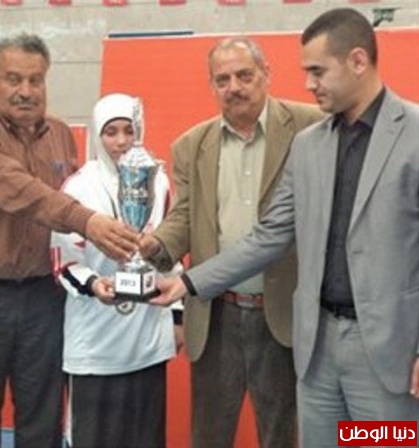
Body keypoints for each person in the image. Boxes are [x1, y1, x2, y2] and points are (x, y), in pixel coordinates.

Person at [152, 8, 419, 447]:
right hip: (316, 351)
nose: (309, 84)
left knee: (382, 441)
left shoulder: (412, 135)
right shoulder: (309, 145)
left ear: (357, 61)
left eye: (318, 71)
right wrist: (188, 283)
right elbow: (269, 235)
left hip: (387, 354)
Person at [0, 34, 138, 448]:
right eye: (14, 79)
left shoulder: (61, 134)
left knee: (44, 415)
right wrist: (89, 222)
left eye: (36, 80)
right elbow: (22, 192)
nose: (26, 91)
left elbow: (75, 201)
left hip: (44, 297)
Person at [139, 37, 323, 448]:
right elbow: (184, 216)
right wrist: (155, 246)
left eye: (244, 75)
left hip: (282, 314)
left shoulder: (312, 126)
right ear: (211, 85)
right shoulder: (191, 145)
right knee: (209, 436)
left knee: (282, 435)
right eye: (222, 80)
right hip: (215, 316)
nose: (234, 87)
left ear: (266, 74)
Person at [50, 93, 182, 448]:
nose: (121, 141)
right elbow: (63, 261)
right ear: (97, 134)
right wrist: (94, 284)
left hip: (148, 340)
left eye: (129, 130)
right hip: (95, 344)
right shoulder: (78, 187)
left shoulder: (157, 180)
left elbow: (171, 252)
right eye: (111, 132)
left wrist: (177, 316)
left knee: (144, 439)